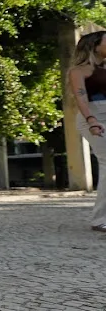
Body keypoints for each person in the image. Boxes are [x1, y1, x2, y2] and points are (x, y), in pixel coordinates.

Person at [68, 30, 106, 231]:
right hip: (94, 116)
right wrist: (91, 120)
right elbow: (81, 98)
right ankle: (100, 219)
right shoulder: (79, 71)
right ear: (95, 45)